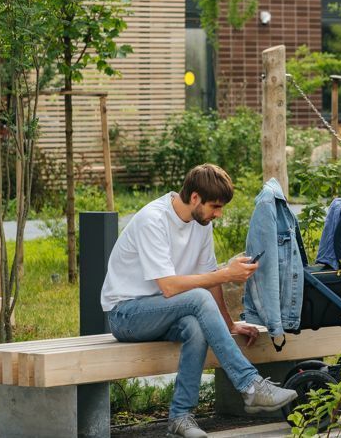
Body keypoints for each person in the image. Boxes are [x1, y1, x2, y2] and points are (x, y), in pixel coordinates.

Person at [101, 164, 299, 438]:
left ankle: (180, 418)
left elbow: (210, 278)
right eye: (215, 206)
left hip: (164, 311)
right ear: (195, 198)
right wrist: (226, 273)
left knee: (195, 326)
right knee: (196, 297)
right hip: (126, 314)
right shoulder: (153, 220)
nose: (218, 214)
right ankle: (250, 385)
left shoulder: (201, 223)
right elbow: (169, 287)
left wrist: (230, 323)